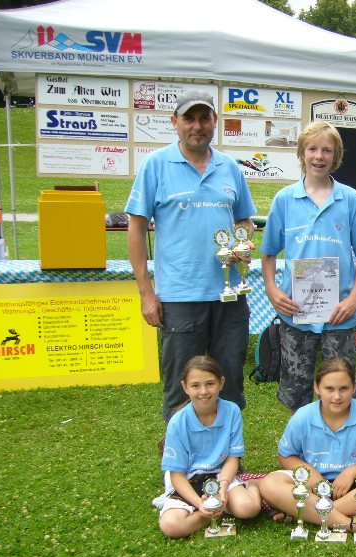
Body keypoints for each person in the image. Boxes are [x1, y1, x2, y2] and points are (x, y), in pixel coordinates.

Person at [125, 89, 256, 422]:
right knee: (183, 387)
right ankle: (179, 454)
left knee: (229, 383)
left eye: (204, 118)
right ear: (175, 122)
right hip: (180, 296)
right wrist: (146, 293)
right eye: (189, 119)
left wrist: (241, 243)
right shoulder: (156, 165)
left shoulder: (229, 167)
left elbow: (245, 221)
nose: (197, 126)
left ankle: (228, 451)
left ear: (215, 121)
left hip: (229, 297)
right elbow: (136, 229)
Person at [261, 122, 356, 412]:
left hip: (339, 312)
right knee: (296, 387)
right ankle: (301, 438)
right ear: (302, 152)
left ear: (336, 155)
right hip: (296, 311)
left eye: (327, 150)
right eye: (312, 149)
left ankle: (343, 438)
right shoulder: (285, 199)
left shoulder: (350, 199)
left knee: (341, 386)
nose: (319, 156)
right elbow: (269, 252)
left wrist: (355, 297)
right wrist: (272, 289)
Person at [258, 357, 356, 537]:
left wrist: (352, 472)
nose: (337, 396)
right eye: (329, 389)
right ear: (317, 388)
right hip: (313, 488)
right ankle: (351, 524)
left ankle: (305, 513)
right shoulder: (302, 417)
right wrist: (310, 473)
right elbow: (286, 456)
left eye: (344, 388)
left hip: (354, 489)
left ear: (354, 387)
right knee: (269, 484)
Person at [158, 355, 262, 538]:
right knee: (170, 526)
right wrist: (200, 504)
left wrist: (223, 486)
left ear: (221, 383)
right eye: (195, 385)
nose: (204, 391)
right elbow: (177, 475)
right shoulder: (177, 422)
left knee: (248, 508)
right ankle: (210, 514)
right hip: (189, 480)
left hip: (221, 476)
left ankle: (251, 486)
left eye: (210, 384)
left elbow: (232, 458)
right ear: (185, 387)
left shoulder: (232, 411)